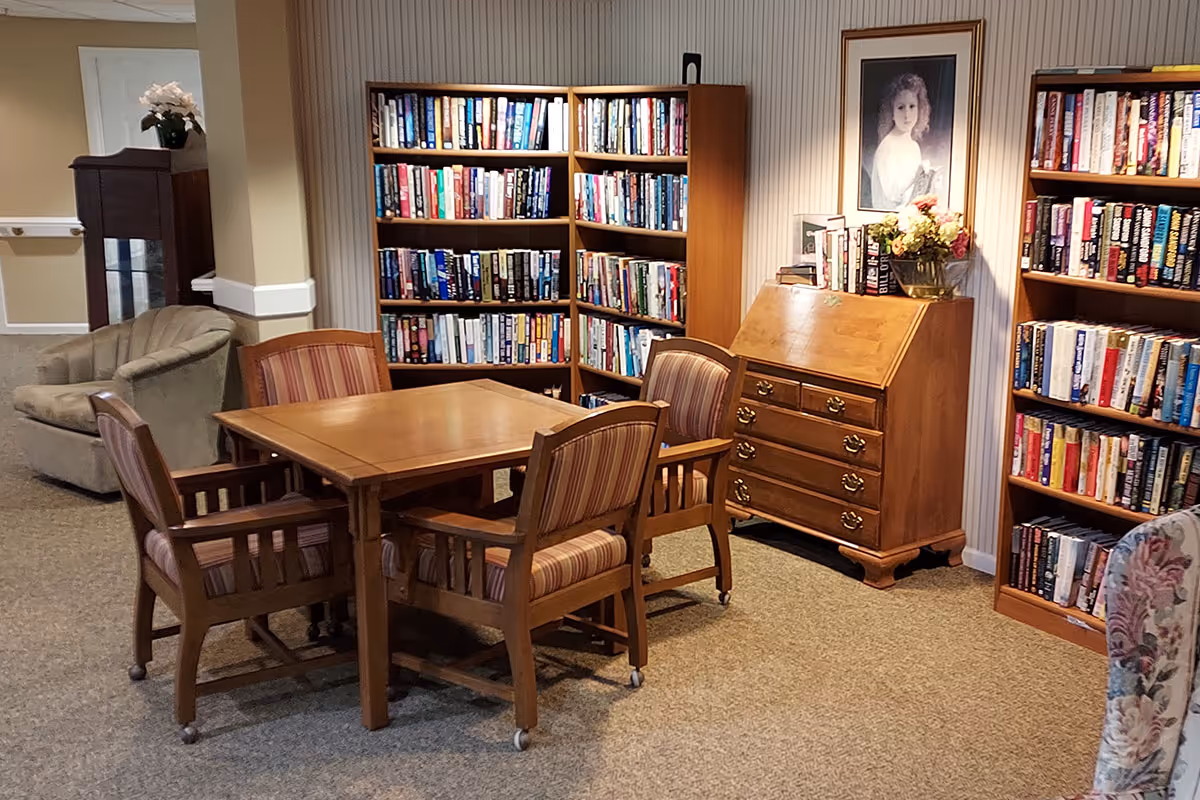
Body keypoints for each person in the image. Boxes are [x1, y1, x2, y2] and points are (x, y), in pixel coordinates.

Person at [868, 72, 941, 211]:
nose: (907, 115)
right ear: (892, 112)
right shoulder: (888, 146)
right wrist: (919, 177)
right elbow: (892, 198)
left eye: (912, 106)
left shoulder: (914, 146)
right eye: (901, 107)